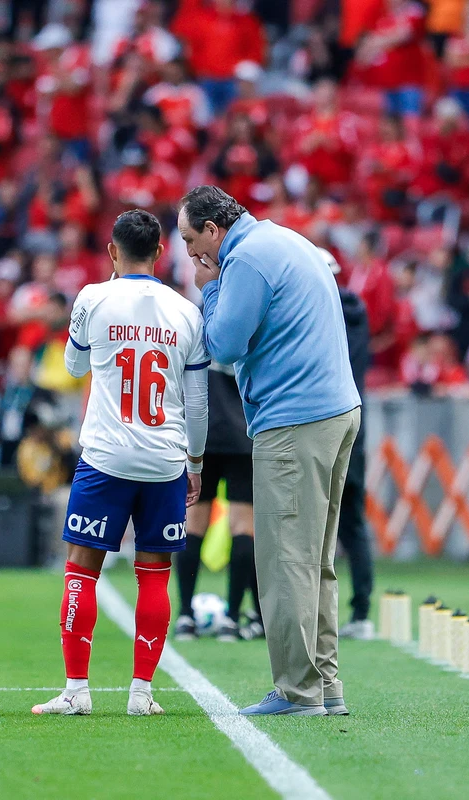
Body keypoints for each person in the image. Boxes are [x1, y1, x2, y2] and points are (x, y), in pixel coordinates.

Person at [181, 185, 361, 717]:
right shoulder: (284, 240)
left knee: (284, 562)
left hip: (295, 420)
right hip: (334, 411)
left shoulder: (246, 259)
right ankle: (325, 685)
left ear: (214, 230)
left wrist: (209, 290)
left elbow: (224, 346)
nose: (192, 254)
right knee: (315, 562)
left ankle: (297, 691)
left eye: (193, 241)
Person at [31, 209, 209, 717]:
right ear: (159, 253)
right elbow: (197, 405)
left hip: (106, 457)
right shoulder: (187, 311)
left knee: (81, 568)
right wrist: (193, 462)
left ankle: (76, 691)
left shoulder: (91, 297)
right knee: (154, 574)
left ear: (112, 251)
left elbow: (72, 366)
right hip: (164, 459)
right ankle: (141, 694)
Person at [172, 354, 261, 643]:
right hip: (242, 432)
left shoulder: (201, 318)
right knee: (243, 525)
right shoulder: (249, 315)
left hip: (202, 431)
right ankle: (231, 619)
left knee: (194, 523)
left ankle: (185, 616)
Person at [323, 248, 376, 641]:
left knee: (315, 524)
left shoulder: (323, 315)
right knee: (353, 523)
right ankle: (361, 609)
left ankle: (316, 612)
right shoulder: (357, 314)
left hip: (326, 421)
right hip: (356, 421)